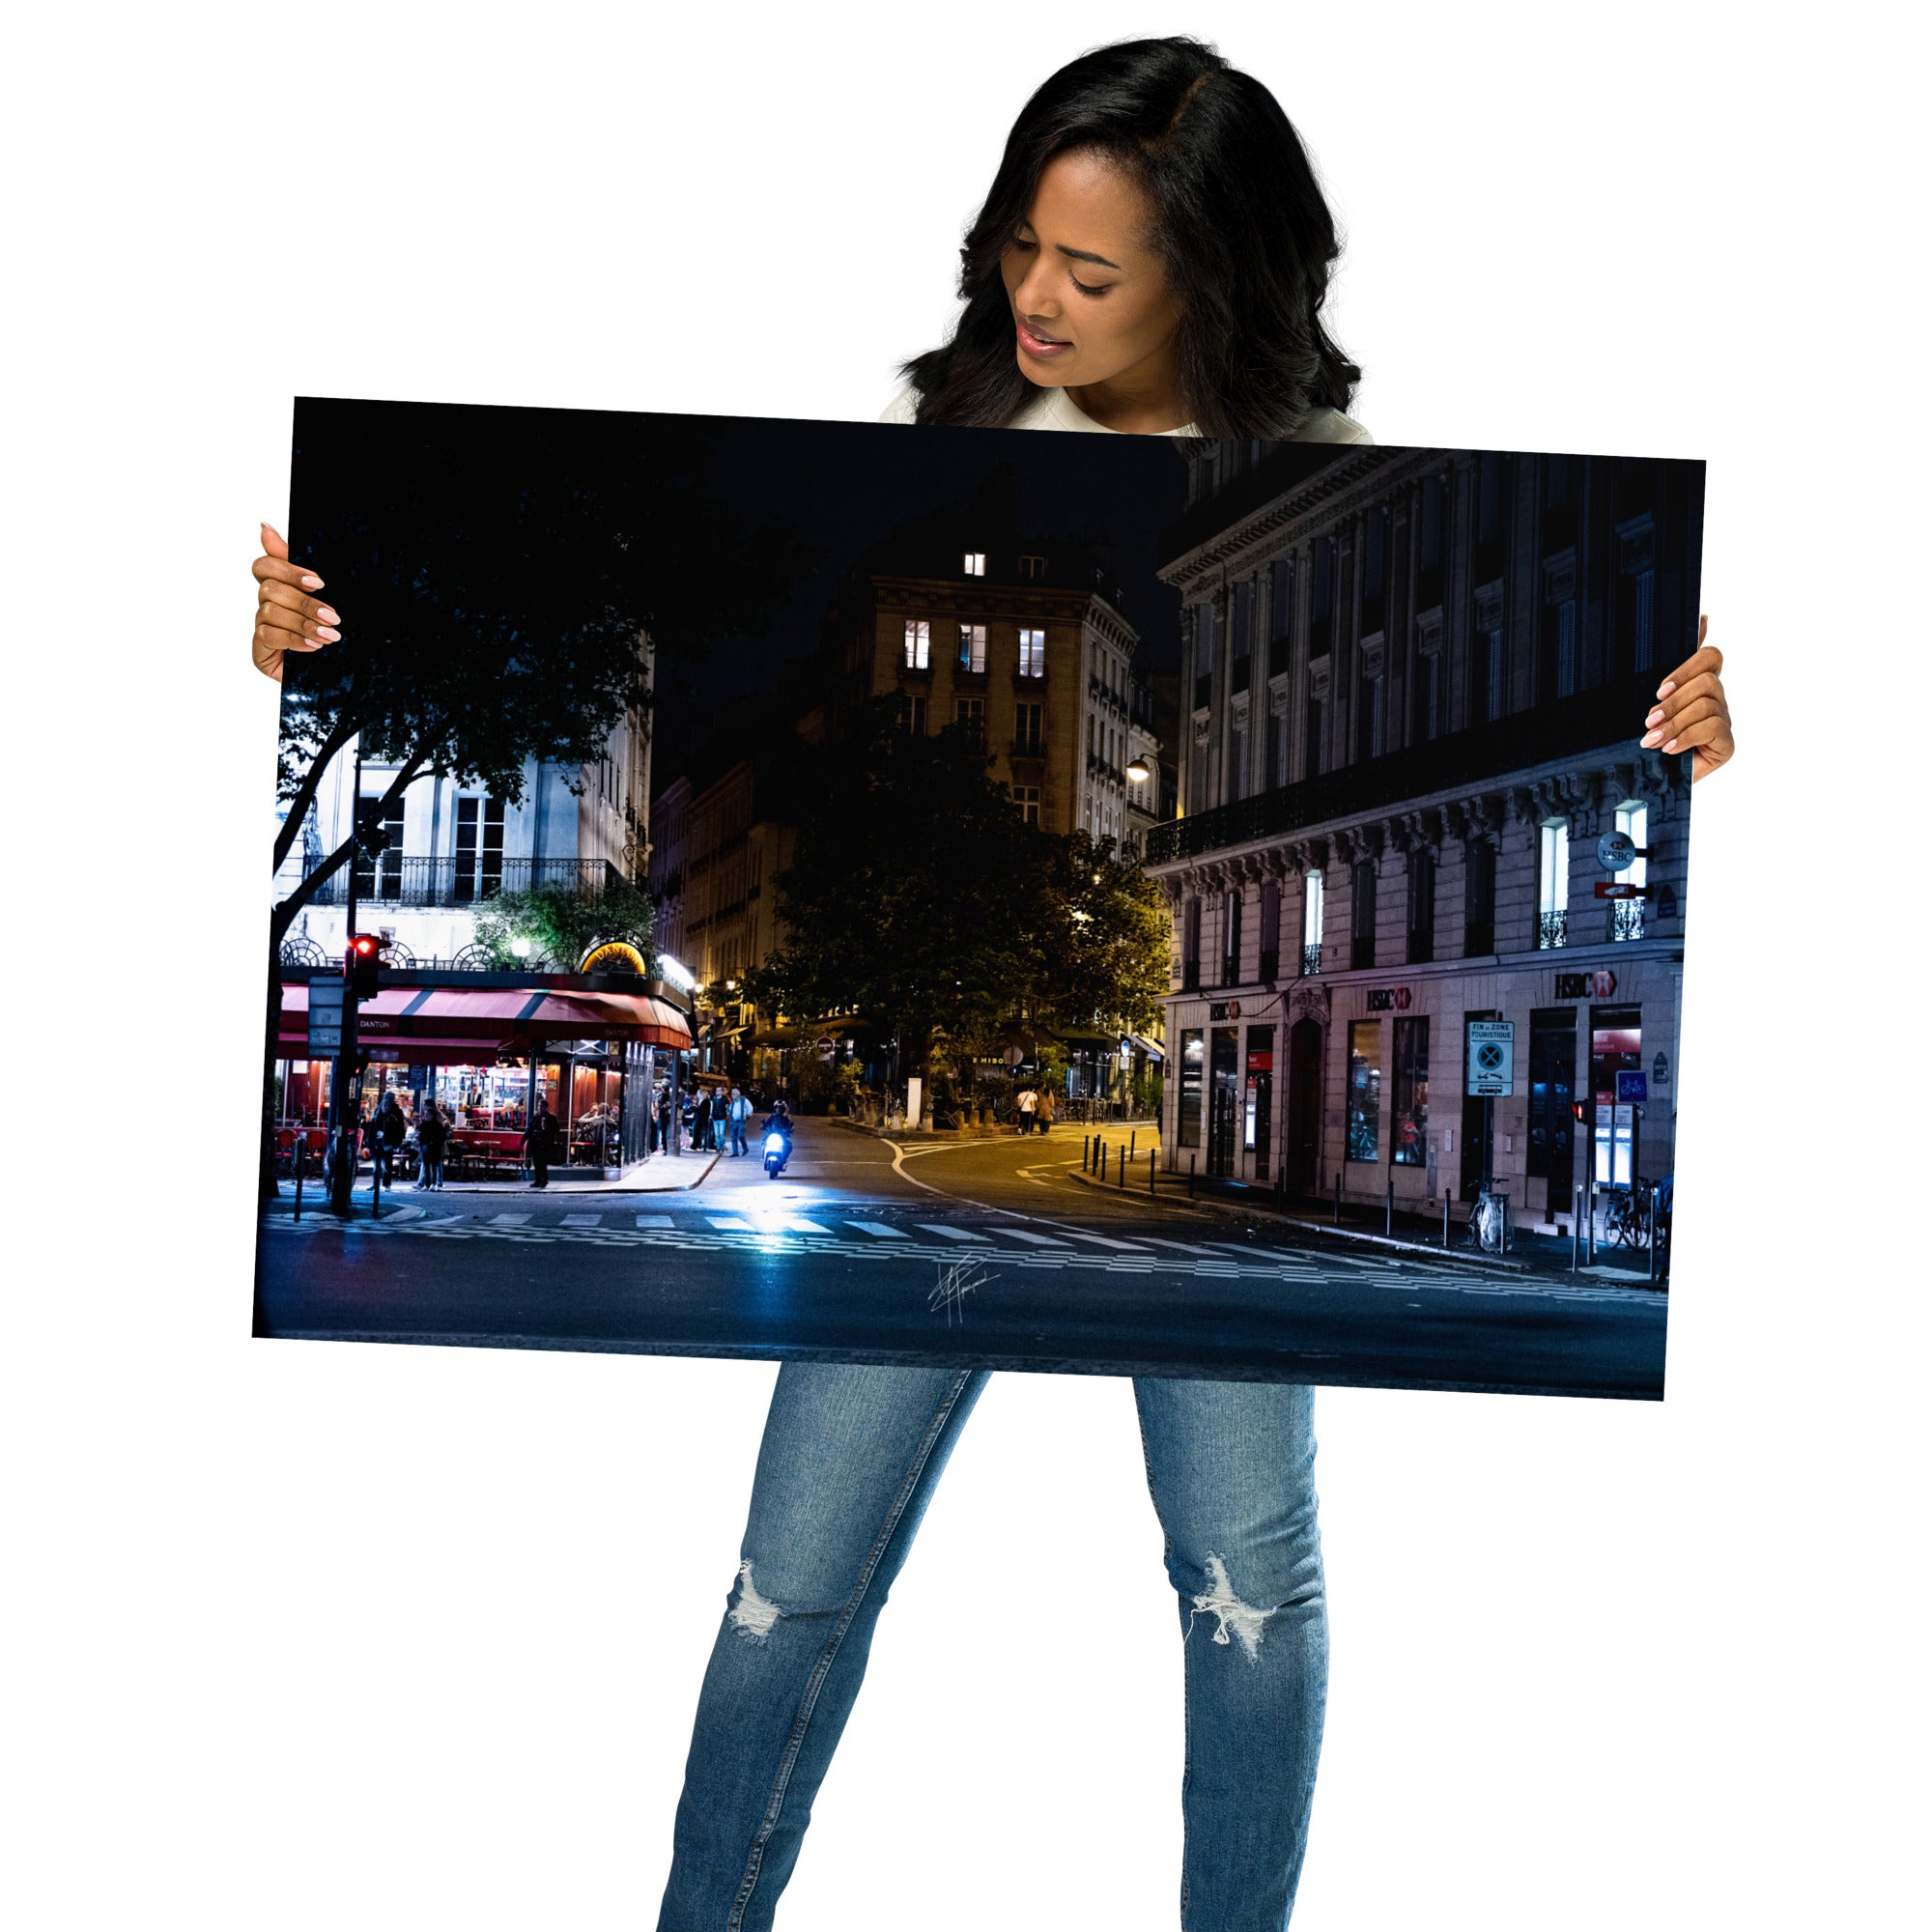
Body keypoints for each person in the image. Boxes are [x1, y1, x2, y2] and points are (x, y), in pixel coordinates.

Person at [249, 36, 1736, 1930]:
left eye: (1091, 271)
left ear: (1215, 277)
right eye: (1023, 245)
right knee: (790, 1579)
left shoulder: (1347, 486)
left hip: (1172, 1115)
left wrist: (1680, 729)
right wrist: (308, 631)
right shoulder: (928, 420)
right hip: (931, 1212)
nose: (1035, 296)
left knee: (1245, 1585)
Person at [520, 1096, 558, 1190]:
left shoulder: (551, 1118)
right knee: (536, 1162)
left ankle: (544, 1180)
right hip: (535, 1142)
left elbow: (556, 1130)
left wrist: (547, 1129)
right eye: (538, 1106)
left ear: (545, 1107)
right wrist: (523, 1140)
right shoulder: (535, 1117)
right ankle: (537, 1180)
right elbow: (529, 1129)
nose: (539, 1108)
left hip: (545, 1143)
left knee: (542, 1163)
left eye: (541, 1106)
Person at [416, 1101, 448, 1191]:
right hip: (428, 1147)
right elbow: (421, 1137)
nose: (426, 1117)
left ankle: (433, 1183)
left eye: (427, 1115)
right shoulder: (425, 1125)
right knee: (427, 1166)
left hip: (434, 1148)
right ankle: (428, 1184)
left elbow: (442, 1136)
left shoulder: (436, 1125)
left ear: (432, 1115)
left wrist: (434, 1143)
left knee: (433, 1166)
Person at [727, 1086, 751, 1157]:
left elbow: (750, 1107)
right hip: (734, 1121)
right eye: (732, 1094)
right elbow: (729, 1112)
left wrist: (748, 1114)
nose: (732, 1095)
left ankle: (745, 1148)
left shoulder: (744, 1100)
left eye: (733, 1094)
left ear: (737, 1095)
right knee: (733, 1137)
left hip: (741, 1121)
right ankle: (735, 1152)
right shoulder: (732, 1103)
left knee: (741, 1136)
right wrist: (727, 1110)